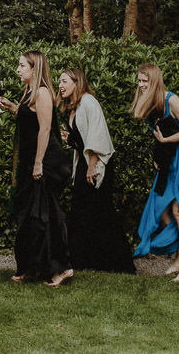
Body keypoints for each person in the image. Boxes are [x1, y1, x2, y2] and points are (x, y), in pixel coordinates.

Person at [0, 52, 72, 286]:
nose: (18, 70)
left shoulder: (41, 91)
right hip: (30, 161)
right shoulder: (28, 92)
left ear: (34, 68)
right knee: (28, 216)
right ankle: (31, 266)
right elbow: (29, 118)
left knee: (45, 216)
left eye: (22, 66)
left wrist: (39, 162)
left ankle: (59, 269)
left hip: (44, 160)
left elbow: (44, 129)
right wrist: (12, 107)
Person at [130, 62, 179, 281]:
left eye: (145, 81)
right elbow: (160, 137)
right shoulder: (149, 103)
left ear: (155, 81)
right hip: (169, 159)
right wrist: (158, 158)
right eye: (140, 80)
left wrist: (165, 141)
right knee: (160, 206)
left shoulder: (172, 99)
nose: (141, 85)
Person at [58, 68, 134, 274]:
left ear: (77, 82)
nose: (60, 86)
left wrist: (92, 167)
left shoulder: (89, 102)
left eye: (64, 81)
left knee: (101, 211)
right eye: (59, 82)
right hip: (84, 164)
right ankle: (86, 259)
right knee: (84, 212)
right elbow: (81, 138)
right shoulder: (73, 107)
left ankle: (119, 263)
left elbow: (97, 135)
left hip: (97, 164)